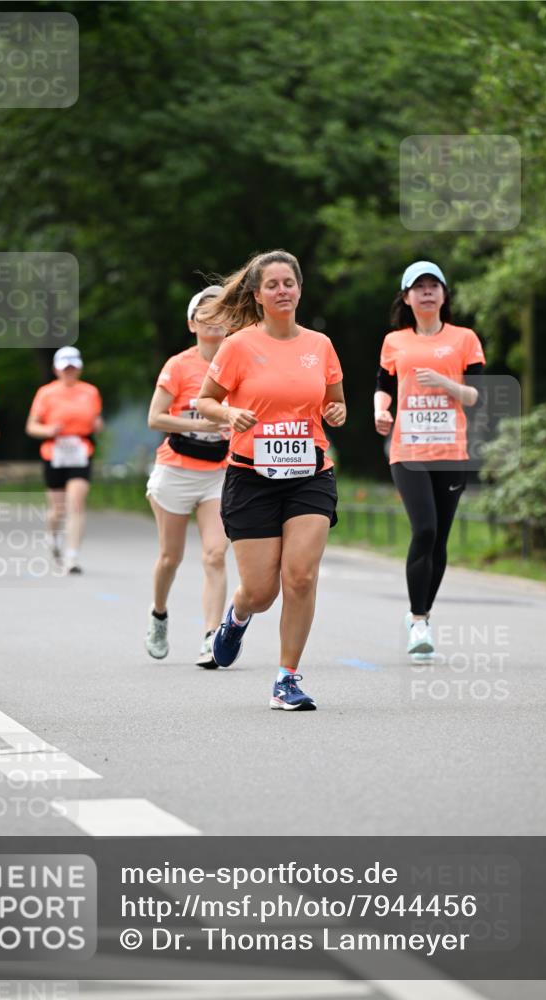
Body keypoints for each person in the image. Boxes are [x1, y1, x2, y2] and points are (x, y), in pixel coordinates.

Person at [196, 250, 346, 711]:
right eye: (273, 285)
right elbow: (206, 402)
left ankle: (287, 678)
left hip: (309, 475)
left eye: (289, 283)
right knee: (262, 591)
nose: (283, 291)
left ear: (300, 289)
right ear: (258, 296)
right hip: (251, 477)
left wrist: (337, 412)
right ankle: (236, 617)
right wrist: (230, 412)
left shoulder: (319, 345)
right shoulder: (239, 345)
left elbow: (335, 403)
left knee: (300, 577)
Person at [374, 261, 485, 657]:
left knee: (439, 539)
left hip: (451, 451)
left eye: (433, 285)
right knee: (423, 530)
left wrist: (443, 383)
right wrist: (380, 411)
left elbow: (475, 395)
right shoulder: (395, 342)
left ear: (443, 295)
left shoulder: (464, 339)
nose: (426, 292)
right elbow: (383, 386)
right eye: (417, 286)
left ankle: (421, 613)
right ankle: (418, 622)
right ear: (406, 297)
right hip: (408, 452)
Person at [144, 286, 231, 668]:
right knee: (170, 557)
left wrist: (231, 425)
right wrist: (210, 424)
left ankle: (212, 636)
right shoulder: (178, 365)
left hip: (219, 472)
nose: (214, 323)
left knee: (215, 553)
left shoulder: (238, 363)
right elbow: (155, 418)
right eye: (205, 316)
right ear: (192, 323)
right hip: (176, 469)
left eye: (221, 316)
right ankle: (159, 613)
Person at [26, 346, 103, 575]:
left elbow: (97, 420)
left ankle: (72, 556)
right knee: (58, 509)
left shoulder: (90, 392)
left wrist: (98, 425)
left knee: (76, 503)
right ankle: (53, 535)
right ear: (56, 370)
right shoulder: (46, 393)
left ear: (79, 368)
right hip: (54, 452)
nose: (69, 372)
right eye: (65, 368)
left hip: (80, 450)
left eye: (73, 367)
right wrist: (49, 429)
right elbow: (31, 426)